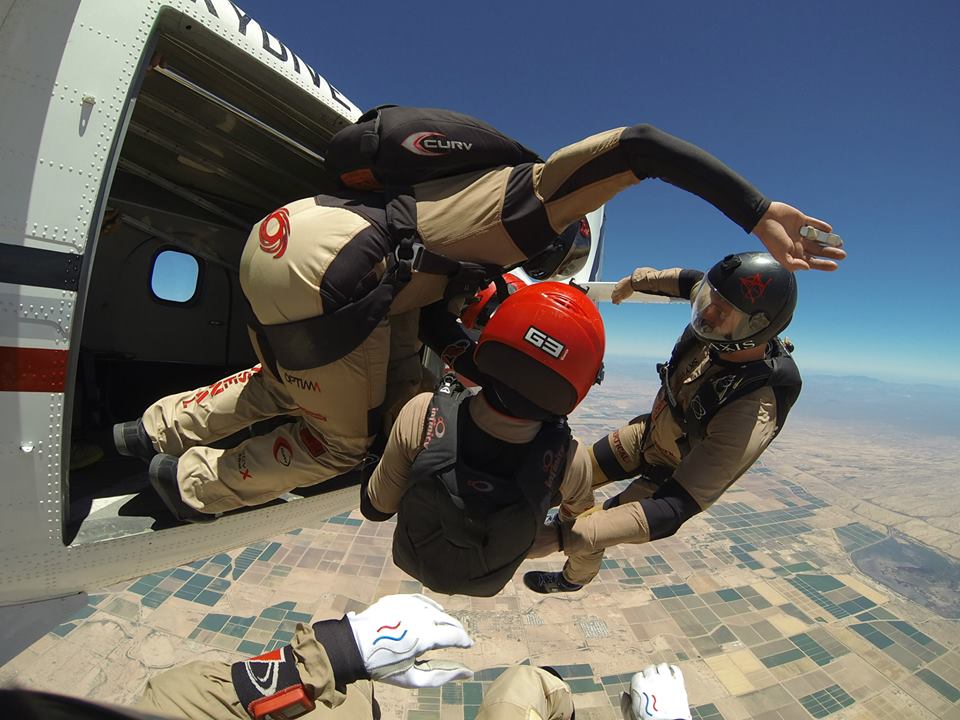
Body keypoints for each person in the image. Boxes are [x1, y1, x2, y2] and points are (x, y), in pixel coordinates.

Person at [114, 114, 844, 521]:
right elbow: (640, 147)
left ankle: (149, 427)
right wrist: (756, 211)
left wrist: (470, 361)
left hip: (292, 237)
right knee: (341, 444)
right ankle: (193, 483)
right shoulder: (525, 201)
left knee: (292, 383)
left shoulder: (456, 207)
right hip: (330, 284)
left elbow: (427, 323)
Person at [524, 252, 806, 593]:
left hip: (672, 475)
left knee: (589, 530)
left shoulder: (752, 408)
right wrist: (636, 281)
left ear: (756, 327)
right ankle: (541, 514)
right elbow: (690, 281)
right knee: (564, 472)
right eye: (710, 300)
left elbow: (676, 506)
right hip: (650, 434)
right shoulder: (721, 324)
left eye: (723, 312)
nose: (707, 313)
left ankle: (572, 579)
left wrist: (559, 538)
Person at [361, 281, 606, 597]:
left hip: (411, 553)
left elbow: (377, 507)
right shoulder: (571, 460)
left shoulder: (422, 413)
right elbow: (588, 535)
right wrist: (572, 576)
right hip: (487, 579)